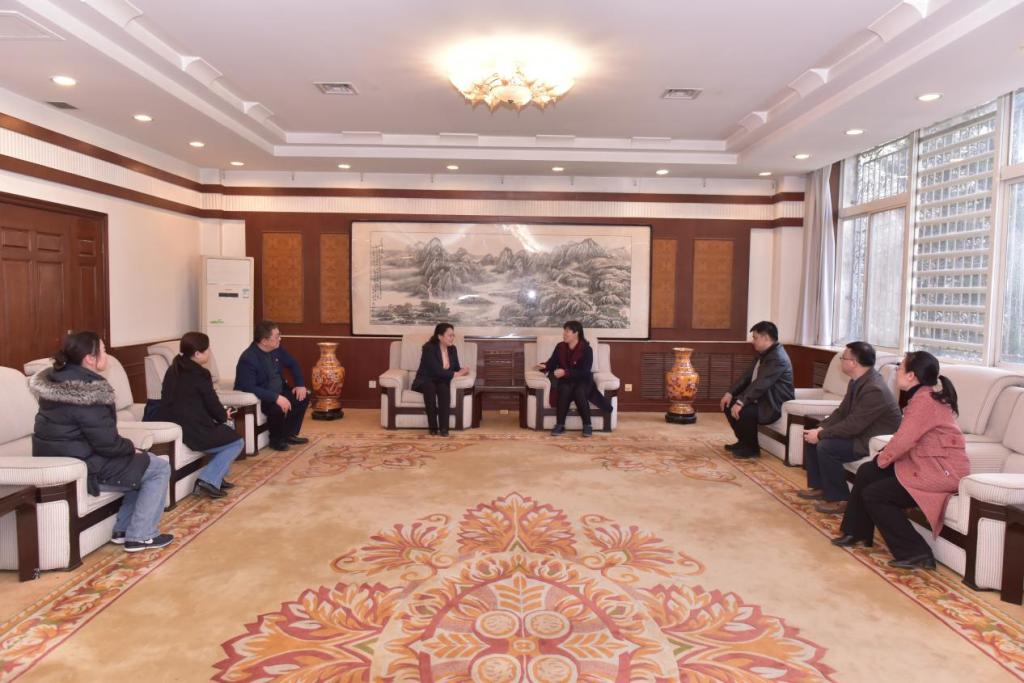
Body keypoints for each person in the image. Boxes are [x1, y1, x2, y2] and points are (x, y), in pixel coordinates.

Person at [29, 331, 173, 552]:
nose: (106, 355)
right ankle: (141, 535)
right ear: (90, 358)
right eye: (103, 351)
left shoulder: (56, 380)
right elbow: (106, 443)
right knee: (158, 467)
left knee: (143, 463)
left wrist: (131, 451)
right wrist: (130, 448)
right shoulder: (89, 391)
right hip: (85, 465)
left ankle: (123, 530)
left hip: (67, 458)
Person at [832, 351, 970, 570]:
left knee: (875, 494)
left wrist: (882, 459)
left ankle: (917, 553)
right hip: (926, 464)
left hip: (939, 473)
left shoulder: (924, 402)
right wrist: (880, 460)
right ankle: (857, 532)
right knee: (867, 471)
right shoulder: (922, 397)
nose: (896, 371)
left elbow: (904, 440)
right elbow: (905, 438)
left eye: (900, 367)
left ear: (911, 376)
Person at [798, 342, 902, 514]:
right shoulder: (857, 381)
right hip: (859, 433)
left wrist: (822, 435)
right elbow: (842, 412)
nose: (841, 361)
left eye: (843, 358)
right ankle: (820, 487)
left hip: (871, 441)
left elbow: (853, 425)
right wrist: (820, 428)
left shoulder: (874, 389)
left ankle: (840, 498)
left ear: (853, 363)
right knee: (812, 435)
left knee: (825, 446)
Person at [153, 332, 245, 498]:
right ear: (197, 354)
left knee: (224, 432)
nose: (209, 352)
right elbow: (212, 403)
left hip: (175, 424)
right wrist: (223, 416)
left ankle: (217, 477)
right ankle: (208, 480)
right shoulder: (201, 374)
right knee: (236, 442)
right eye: (207, 350)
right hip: (193, 429)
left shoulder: (173, 369)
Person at [720, 321, 795, 459]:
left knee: (744, 410)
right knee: (728, 404)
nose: (752, 341)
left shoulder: (778, 358)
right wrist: (730, 393)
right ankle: (743, 442)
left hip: (774, 404)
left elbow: (761, 383)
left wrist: (742, 402)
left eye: (755, 338)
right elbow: (747, 376)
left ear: (765, 338)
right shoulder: (764, 354)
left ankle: (752, 449)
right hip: (762, 399)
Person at [235, 320, 309, 451]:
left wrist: (300, 384)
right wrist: (276, 398)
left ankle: (288, 434)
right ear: (264, 341)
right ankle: (276, 440)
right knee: (277, 408)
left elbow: (293, 363)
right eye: (276, 336)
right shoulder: (249, 358)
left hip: (279, 390)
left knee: (303, 397)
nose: (280, 338)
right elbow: (248, 386)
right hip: (263, 396)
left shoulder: (276, 349)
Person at [536, 320, 610, 437]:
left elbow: (585, 372)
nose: (564, 334)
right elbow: (552, 363)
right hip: (566, 380)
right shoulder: (560, 346)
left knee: (579, 391)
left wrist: (565, 372)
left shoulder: (587, 349)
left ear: (576, 333)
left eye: (567, 331)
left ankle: (587, 425)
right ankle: (560, 425)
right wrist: (544, 366)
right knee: (564, 389)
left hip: (583, 380)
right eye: (564, 331)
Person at [412, 323, 469, 436]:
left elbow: (456, 367)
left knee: (444, 389)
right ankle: (433, 427)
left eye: (453, 335)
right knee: (430, 387)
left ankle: (444, 428)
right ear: (440, 336)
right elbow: (436, 370)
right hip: (425, 379)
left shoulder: (452, 349)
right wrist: (457, 374)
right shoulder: (429, 348)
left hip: (441, 380)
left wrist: (463, 370)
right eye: (449, 335)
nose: (452, 338)